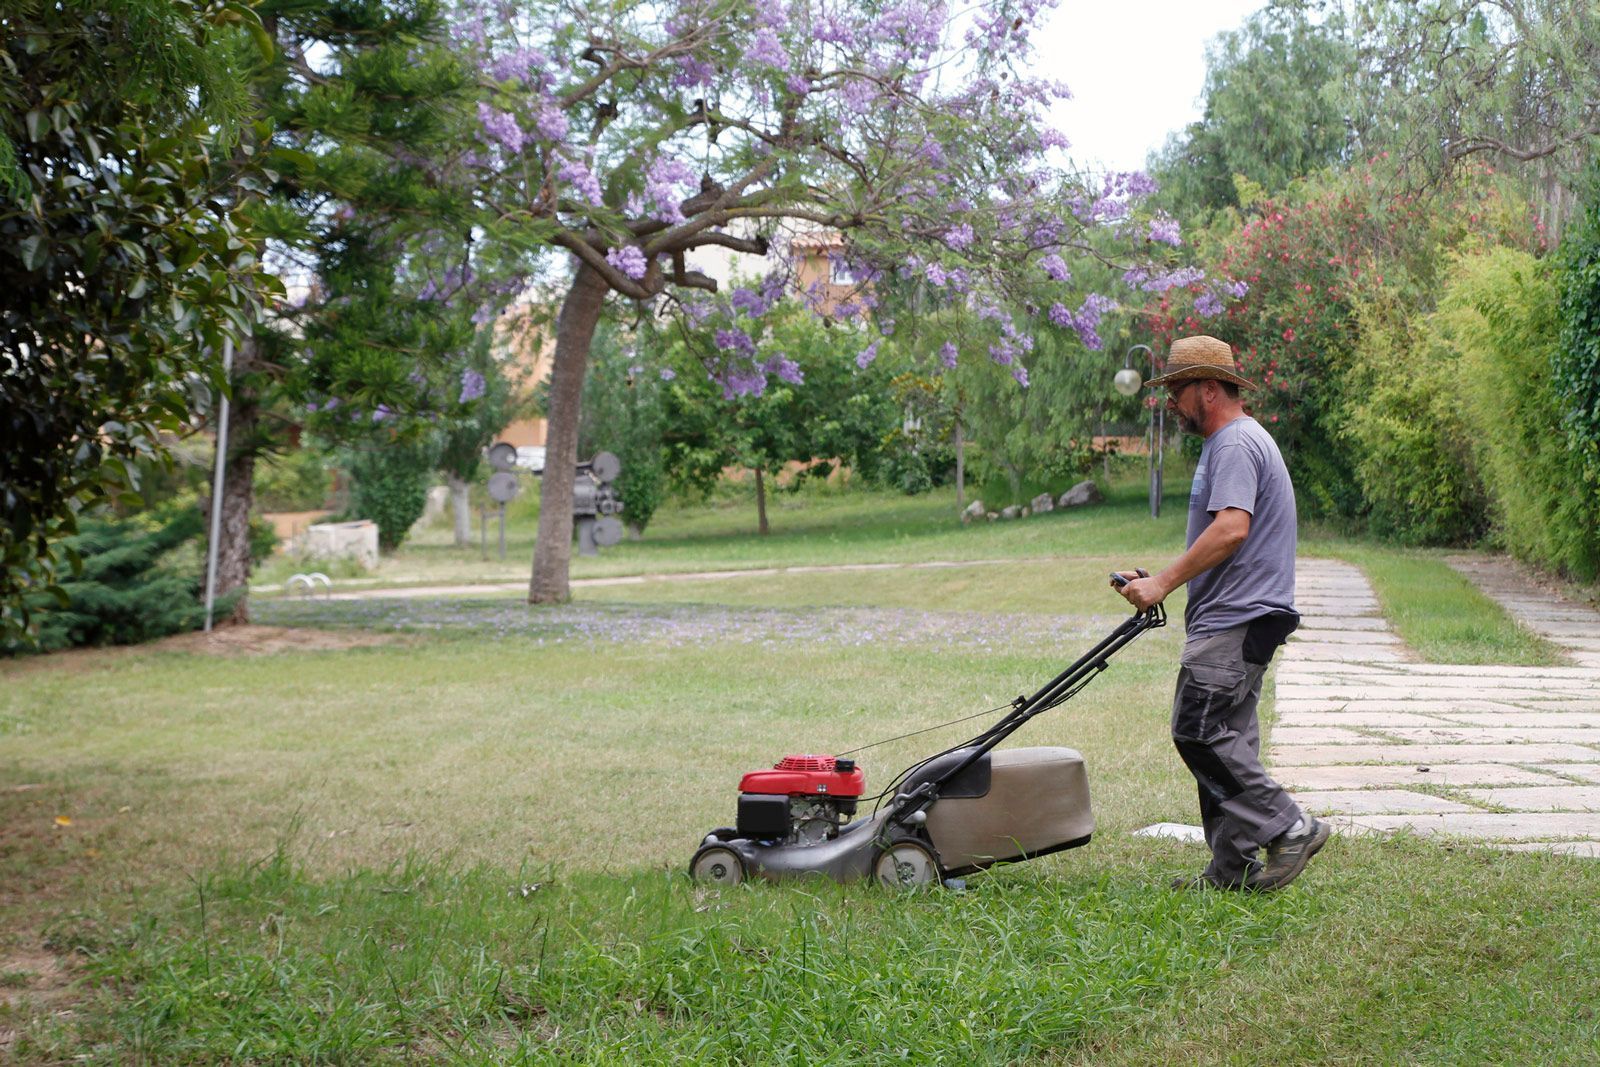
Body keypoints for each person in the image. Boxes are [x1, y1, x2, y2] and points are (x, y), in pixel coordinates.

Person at [1113, 334, 1329, 892]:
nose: (1171, 403)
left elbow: (1233, 529)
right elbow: (1224, 535)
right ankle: (1232, 870)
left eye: (1178, 391)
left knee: (1199, 730)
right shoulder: (1238, 441)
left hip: (1236, 618)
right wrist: (1158, 577)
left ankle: (1291, 826)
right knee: (1228, 734)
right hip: (1248, 616)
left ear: (1209, 389)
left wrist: (1163, 583)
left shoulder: (1234, 443)